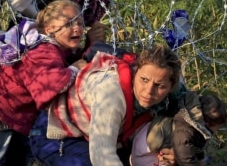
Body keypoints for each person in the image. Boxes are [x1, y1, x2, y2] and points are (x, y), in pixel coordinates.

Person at [0, 0, 105, 165]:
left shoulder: (51, 46)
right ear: (49, 29)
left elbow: (62, 65)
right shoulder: (44, 51)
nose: (77, 28)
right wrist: (75, 69)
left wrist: (89, 46)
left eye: (80, 23)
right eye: (69, 23)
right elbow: (50, 85)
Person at [28, 43, 182, 166]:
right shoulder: (111, 94)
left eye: (160, 86)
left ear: (171, 87)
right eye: (144, 80)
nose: (149, 91)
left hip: (99, 137)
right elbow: (102, 155)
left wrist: (173, 154)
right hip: (56, 135)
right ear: (135, 72)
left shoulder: (171, 98)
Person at [130, 93, 227, 166]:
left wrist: (201, 160)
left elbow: (197, 147)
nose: (214, 132)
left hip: (145, 150)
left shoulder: (188, 119)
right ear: (207, 124)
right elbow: (185, 158)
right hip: (144, 158)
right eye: (216, 129)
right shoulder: (185, 131)